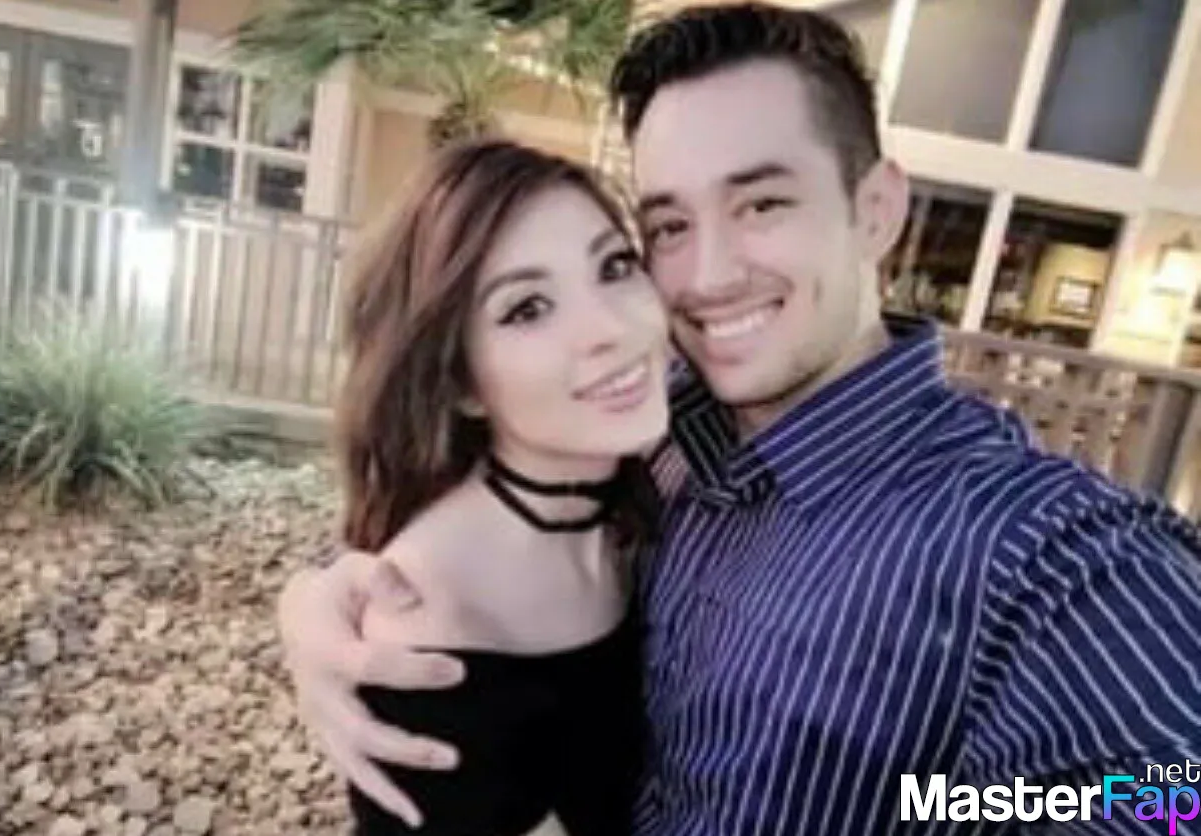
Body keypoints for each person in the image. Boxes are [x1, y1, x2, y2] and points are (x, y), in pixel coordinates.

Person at [280, 4, 1201, 833]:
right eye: (669, 227)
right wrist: (326, 602)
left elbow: (1165, 798)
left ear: (877, 210)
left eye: (762, 203)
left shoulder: (1058, 558)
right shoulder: (658, 427)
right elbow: (491, 504)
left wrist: (930, 805)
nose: (709, 277)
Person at [321, 137, 671, 835]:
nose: (609, 329)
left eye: (614, 266)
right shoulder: (433, 618)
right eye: (528, 308)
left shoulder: (631, 491)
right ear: (461, 384)